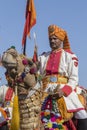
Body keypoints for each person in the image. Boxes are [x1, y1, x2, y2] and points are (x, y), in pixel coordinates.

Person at [38, 24, 87, 130]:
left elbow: (74, 79)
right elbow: (37, 76)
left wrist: (63, 91)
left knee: (82, 114)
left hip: (63, 90)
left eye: (55, 38)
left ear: (61, 39)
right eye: (50, 39)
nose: (52, 41)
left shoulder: (70, 56)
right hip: (44, 90)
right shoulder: (42, 57)